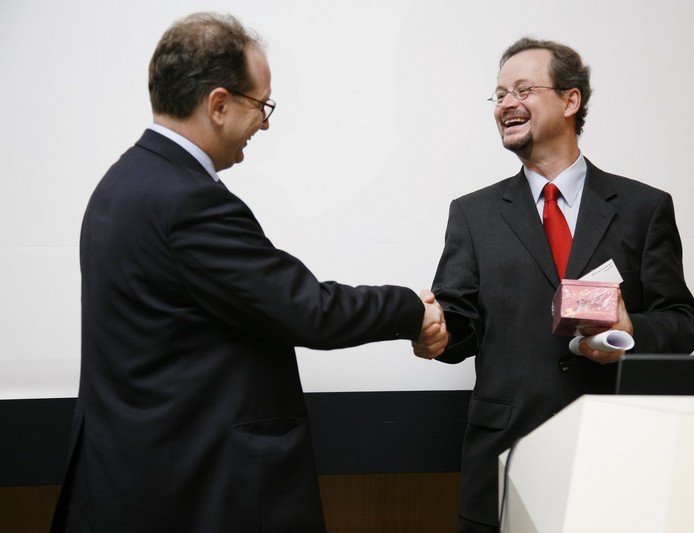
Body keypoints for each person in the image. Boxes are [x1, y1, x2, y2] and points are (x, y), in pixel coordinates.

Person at [50, 12, 447, 532]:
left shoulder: (121, 182)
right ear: (218, 104)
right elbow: (305, 309)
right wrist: (411, 309)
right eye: (262, 105)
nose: (265, 123)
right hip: (190, 491)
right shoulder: (187, 200)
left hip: (134, 478)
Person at [413, 37, 694, 531]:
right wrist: (437, 334)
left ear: (571, 101)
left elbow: (682, 323)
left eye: (523, 89)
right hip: (507, 454)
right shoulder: (473, 214)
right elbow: (461, 324)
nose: (506, 103)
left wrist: (632, 330)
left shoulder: (644, 207)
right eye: (499, 94)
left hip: (617, 454)